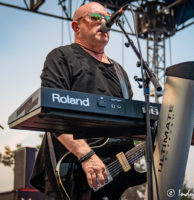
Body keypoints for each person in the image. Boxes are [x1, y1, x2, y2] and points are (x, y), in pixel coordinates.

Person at [30, 2, 145, 200]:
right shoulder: (61, 56)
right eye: (95, 17)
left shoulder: (120, 73)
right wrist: (86, 155)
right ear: (76, 26)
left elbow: (126, 128)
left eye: (108, 19)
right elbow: (51, 112)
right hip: (69, 170)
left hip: (110, 179)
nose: (104, 22)